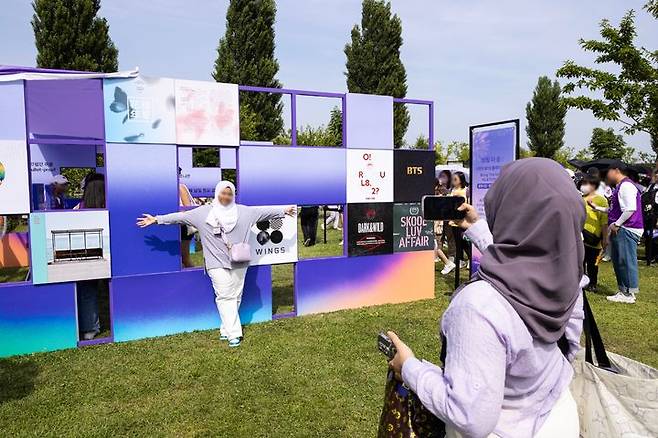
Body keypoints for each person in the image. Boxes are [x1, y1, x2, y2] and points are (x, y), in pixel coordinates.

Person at [387, 158, 585, 437]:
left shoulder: (478, 306)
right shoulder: (568, 279)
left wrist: (409, 368)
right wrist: (477, 228)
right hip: (557, 416)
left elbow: (470, 417)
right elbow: (568, 347)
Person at [137, 181, 294, 347]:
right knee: (225, 295)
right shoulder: (203, 212)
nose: (225, 196)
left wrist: (283, 210)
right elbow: (180, 217)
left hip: (239, 261)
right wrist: (156, 220)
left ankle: (225, 330)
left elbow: (263, 212)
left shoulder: (244, 211)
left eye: (229, 193)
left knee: (236, 296)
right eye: (223, 193)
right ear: (217, 193)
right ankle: (234, 334)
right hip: (215, 262)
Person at [605, 161, 643, 304]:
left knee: (626, 261)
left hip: (627, 228)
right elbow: (617, 209)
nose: (607, 175)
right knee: (620, 260)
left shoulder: (626, 186)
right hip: (623, 227)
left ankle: (629, 293)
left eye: (608, 171)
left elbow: (630, 209)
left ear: (616, 170)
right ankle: (623, 290)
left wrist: (617, 224)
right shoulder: (621, 186)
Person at [76, 173, 106, 340]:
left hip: (86, 255)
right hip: (107, 255)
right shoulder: (109, 207)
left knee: (87, 291)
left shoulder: (79, 208)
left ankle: (89, 328)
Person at [579, 175, 608, 291]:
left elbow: (604, 221)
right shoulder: (580, 198)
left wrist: (605, 238)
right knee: (581, 261)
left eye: (587, 184)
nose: (583, 186)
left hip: (594, 238)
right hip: (581, 236)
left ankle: (593, 283)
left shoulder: (601, 200)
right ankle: (581, 282)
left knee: (593, 263)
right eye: (583, 183)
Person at [449, 171, 471, 266]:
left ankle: (470, 258)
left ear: (461, 180)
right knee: (457, 242)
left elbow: (469, 205)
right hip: (454, 220)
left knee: (464, 241)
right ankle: (460, 260)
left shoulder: (466, 190)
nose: (453, 181)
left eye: (455, 179)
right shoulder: (452, 190)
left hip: (463, 220)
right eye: (453, 179)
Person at [179, 168, 195, 268]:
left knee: (185, 259)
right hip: (174, 225)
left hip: (184, 226)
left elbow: (187, 208)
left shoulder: (180, 187)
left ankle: (197, 279)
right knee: (178, 259)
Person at [641, 169, 658, 264]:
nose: (656, 176)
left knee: (656, 237)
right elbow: (645, 197)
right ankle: (649, 255)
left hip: (656, 213)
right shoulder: (651, 186)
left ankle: (655, 256)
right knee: (648, 235)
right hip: (649, 213)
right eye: (656, 174)